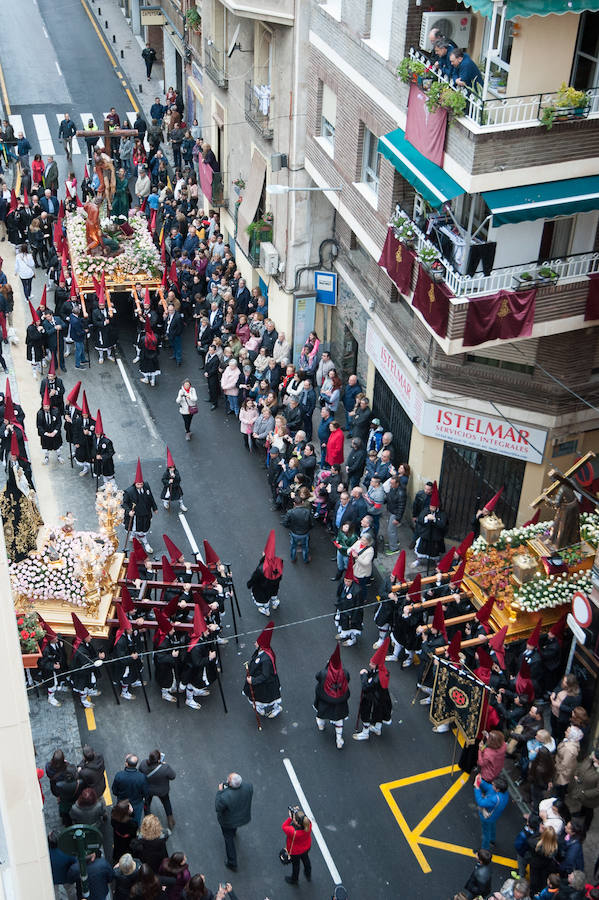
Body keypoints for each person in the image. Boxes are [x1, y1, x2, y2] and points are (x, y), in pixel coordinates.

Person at [353, 639, 392, 741]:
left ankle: (365, 733)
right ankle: (377, 729)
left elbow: (366, 687)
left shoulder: (376, 678)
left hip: (372, 699)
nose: (370, 664)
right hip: (382, 698)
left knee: (366, 714)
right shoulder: (383, 672)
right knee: (379, 714)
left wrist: (364, 675)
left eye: (372, 663)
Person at [243, 620, 282, 719]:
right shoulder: (263, 651)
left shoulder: (266, 660)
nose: (255, 643)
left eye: (257, 643)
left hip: (266, 684)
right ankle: (260, 708)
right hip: (260, 681)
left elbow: (265, 675)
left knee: (269, 698)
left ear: (261, 646)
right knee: (261, 698)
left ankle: (276, 708)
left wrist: (253, 680)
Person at [215, 773, 253, 871]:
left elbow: (218, 807)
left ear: (230, 784)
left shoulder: (225, 796)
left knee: (228, 838)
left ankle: (232, 862)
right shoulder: (248, 786)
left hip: (228, 821)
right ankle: (234, 832)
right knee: (233, 828)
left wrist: (220, 792)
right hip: (241, 817)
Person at [314, 645, 350, 749]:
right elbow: (347, 680)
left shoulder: (323, 673)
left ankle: (321, 725)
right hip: (340, 701)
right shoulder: (345, 673)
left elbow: (317, 677)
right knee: (339, 720)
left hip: (325, 700)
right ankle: (339, 739)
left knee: (321, 714)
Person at [123, 458, 158, 553]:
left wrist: (154, 507)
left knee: (144, 528)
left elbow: (151, 497)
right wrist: (129, 511)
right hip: (136, 516)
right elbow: (124, 503)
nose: (140, 485)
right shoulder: (129, 491)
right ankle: (145, 543)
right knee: (139, 530)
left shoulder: (146, 486)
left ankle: (133, 536)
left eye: (141, 484)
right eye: (138, 484)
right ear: (135, 483)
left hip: (146, 513)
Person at [139, 748, 176, 828]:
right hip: (162, 791)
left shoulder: (143, 764)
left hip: (148, 790)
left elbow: (140, 775)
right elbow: (173, 776)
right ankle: (170, 820)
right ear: (159, 760)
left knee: (147, 804)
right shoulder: (165, 767)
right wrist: (164, 765)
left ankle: (148, 822)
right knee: (166, 802)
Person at [474, 773, 509, 850]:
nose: (492, 785)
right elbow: (489, 787)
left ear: (497, 789)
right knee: (492, 826)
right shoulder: (504, 793)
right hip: (494, 816)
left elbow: (481, 802)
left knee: (486, 833)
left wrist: (477, 788)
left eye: (493, 785)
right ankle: (492, 840)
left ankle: (484, 849)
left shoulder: (494, 799)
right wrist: (481, 782)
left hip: (487, 817)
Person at [111, 754, 150, 825]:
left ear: (126, 764)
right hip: (137, 803)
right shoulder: (142, 777)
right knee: (135, 822)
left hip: (122, 803)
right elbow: (146, 793)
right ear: (136, 764)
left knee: (120, 819)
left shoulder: (119, 775)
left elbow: (114, 791)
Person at [282, 807, 312, 885]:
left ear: (297, 823)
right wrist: (296, 816)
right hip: (306, 847)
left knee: (296, 865)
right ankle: (308, 873)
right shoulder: (309, 824)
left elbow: (284, 826)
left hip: (295, 852)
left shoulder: (293, 832)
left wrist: (290, 818)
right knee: (306, 859)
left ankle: (294, 879)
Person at [37, 385, 64, 465]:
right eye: (44, 406)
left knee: (57, 446)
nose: (46, 408)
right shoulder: (39, 414)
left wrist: (54, 432)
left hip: (55, 434)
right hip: (46, 435)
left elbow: (59, 422)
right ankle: (46, 457)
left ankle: (59, 456)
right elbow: (39, 426)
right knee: (46, 448)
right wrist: (46, 433)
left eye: (47, 406)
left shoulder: (56, 411)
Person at [282, 495, 312, 564]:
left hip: (294, 533)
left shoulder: (290, 512)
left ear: (294, 503)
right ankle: (306, 559)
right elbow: (312, 523)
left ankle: (293, 558)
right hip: (304, 533)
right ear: (302, 502)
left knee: (293, 546)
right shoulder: (307, 511)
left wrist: (291, 527)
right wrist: (308, 529)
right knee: (305, 547)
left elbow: (284, 523)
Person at [161, 447, 187, 512]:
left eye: (173, 467)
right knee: (166, 497)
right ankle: (166, 503)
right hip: (169, 488)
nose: (172, 469)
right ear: (168, 468)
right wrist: (169, 481)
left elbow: (179, 479)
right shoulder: (166, 473)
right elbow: (163, 480)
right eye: (171, 467)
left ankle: (181, 505)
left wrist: (175, 477)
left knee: (180, 497)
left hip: (176, 487)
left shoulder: (176, 472)